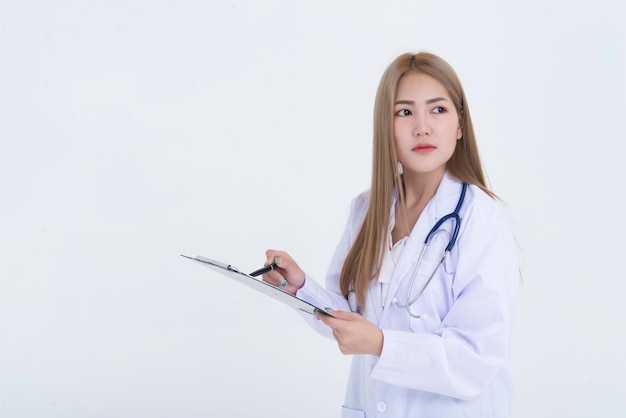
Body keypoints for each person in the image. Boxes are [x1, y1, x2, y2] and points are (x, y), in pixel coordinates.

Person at [260, 51, 519, 417]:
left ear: (460, 124)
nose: (422, 127)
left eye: (438, 110)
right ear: (386, 126)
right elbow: (349, 317)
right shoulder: (368, 209)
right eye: (404, 112)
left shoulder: (483, 221)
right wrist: (300, 287)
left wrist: (382, 345)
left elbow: (475, 360)